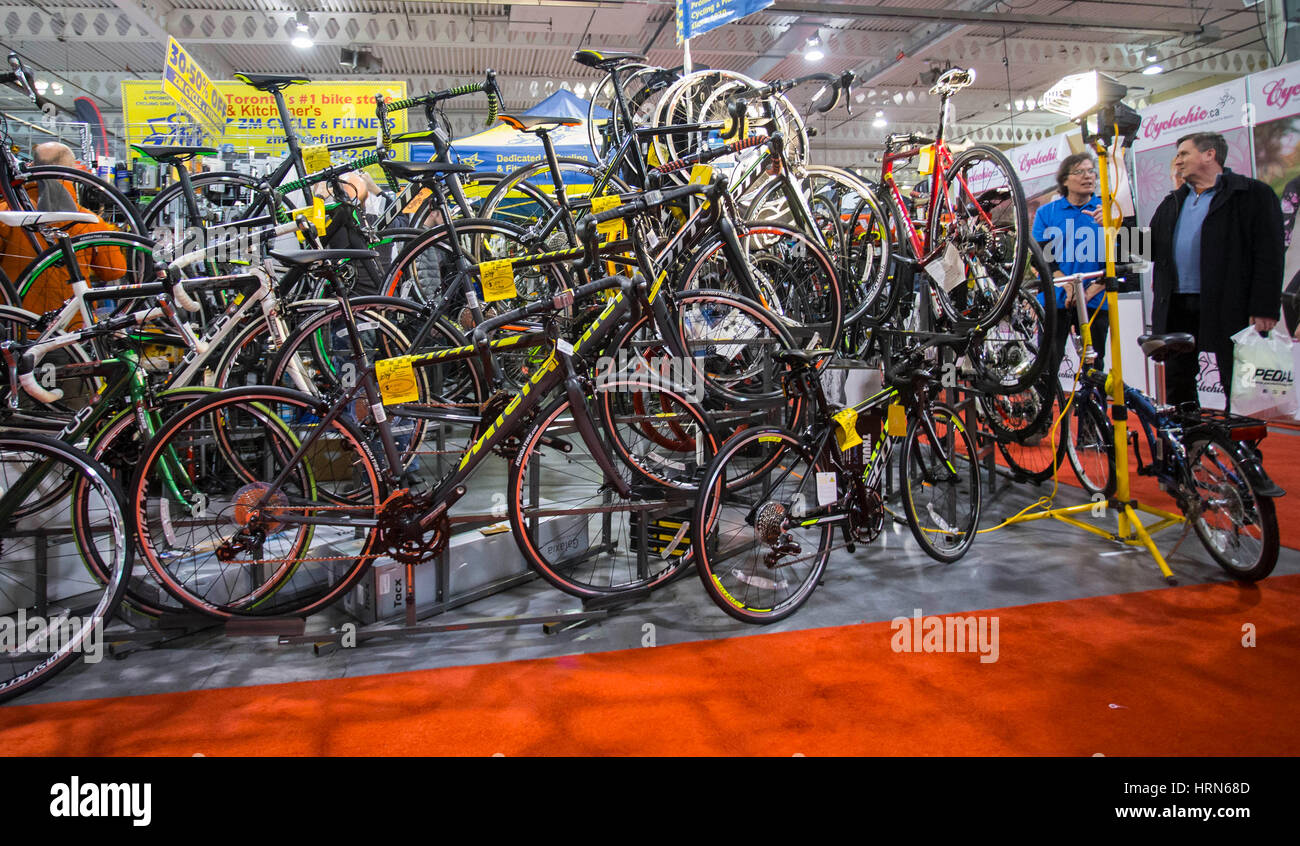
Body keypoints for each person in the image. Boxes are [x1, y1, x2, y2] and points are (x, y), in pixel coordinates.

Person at [1149, 131, 1283, 409]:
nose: (1178, 161)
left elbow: (1269, 254)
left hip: (1229, 304)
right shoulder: (1172, 202)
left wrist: (1265, 307)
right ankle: (1187, 440)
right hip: (1176, 304)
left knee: (1236, 380)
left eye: (1184, 154)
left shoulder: (1252, 194)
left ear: (1210, 155)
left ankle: (1239, 448)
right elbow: (1141, 251)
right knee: (1178, 378)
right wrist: (1119, 225)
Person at [0, 142, 127, 315]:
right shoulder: (89, 220)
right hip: (71, 325)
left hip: (14, 323)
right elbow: (114, 271)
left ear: (30, 166)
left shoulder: (5, 213)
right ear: (72, 171)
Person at [1032, 151, 1109, 371]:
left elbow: (1133, 254)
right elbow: (1041, 258)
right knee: (1048, 363)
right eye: (1079, 172)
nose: (1088, 176)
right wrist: (1067, 285)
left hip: (1095, 301)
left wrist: (1114, 225)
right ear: (1065, 180)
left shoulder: (1110, 209)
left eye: (1091, 171)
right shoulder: (1047, 212)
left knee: (1095, 365)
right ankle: (1046, 405)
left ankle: (1092, 404)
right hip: (1055, 299)